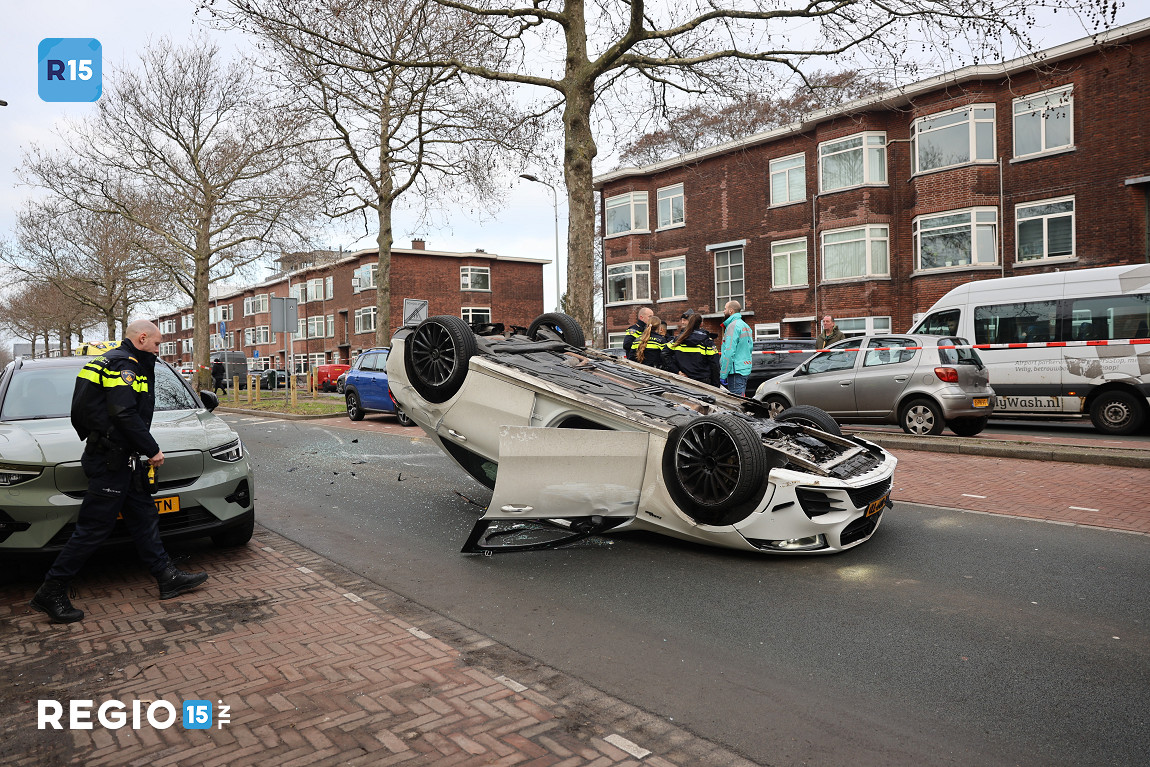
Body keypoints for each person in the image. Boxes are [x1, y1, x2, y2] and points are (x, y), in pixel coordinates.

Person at [29, 320, 209, 624]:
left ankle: (166, 576)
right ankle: (52, 589)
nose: (158, 349)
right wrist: (152, 449)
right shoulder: (125, 365)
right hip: (111, 461)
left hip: (120, 458)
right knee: (93, 529)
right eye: (156, 344)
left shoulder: (105, 361)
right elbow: (123, 412)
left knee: (144, 517)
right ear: (142, 338)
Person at [664, 310, 720, 386]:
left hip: (682, 381)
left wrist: (677, 371)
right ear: (701, 324)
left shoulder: (678, 339)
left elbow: (665, 353)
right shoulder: (707, 341)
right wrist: (716, 385)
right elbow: (715, 364)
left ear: (689, 323)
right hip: (703, 382)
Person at [719, 301, 754, 395]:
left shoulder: (732, 326)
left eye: (725, 309)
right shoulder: (745, 326)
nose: (723, 311)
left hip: (735, 372)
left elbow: (729, 352)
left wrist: (723, 374)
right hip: (744, 369)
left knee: (736, 401)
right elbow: (749, 348)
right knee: (741, 398)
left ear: (731, 311)